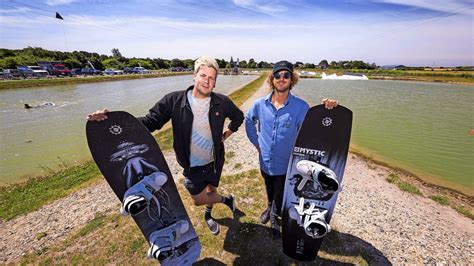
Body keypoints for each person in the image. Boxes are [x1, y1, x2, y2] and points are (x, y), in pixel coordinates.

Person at [87, 56, 244, 235]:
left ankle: (209, 214)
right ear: (194, 76)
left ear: (215, 83)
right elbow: (148, 122)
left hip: (214, 161)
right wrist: (111, 121)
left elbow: (238, 117)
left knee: (211, 190)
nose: (206, 81)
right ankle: (227, 200)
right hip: (192, 166)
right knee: (198, 199)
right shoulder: (173, 101)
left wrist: (225, 135)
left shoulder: (222, 102)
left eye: (211, 78)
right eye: (203, 75)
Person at [245, 60, 338, 239]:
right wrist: (257, 144)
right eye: (277, 75)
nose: (281, 78)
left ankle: (274, 217)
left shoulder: (301, 107)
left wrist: (329, 110)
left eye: (286, 75)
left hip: (286, 164)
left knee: (281, 191)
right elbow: (249, 121)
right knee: (268, 186)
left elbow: (316, 129)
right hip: (265, 161)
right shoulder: (259, 104)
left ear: (291, 79)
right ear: (272, 80)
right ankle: (269, 206)